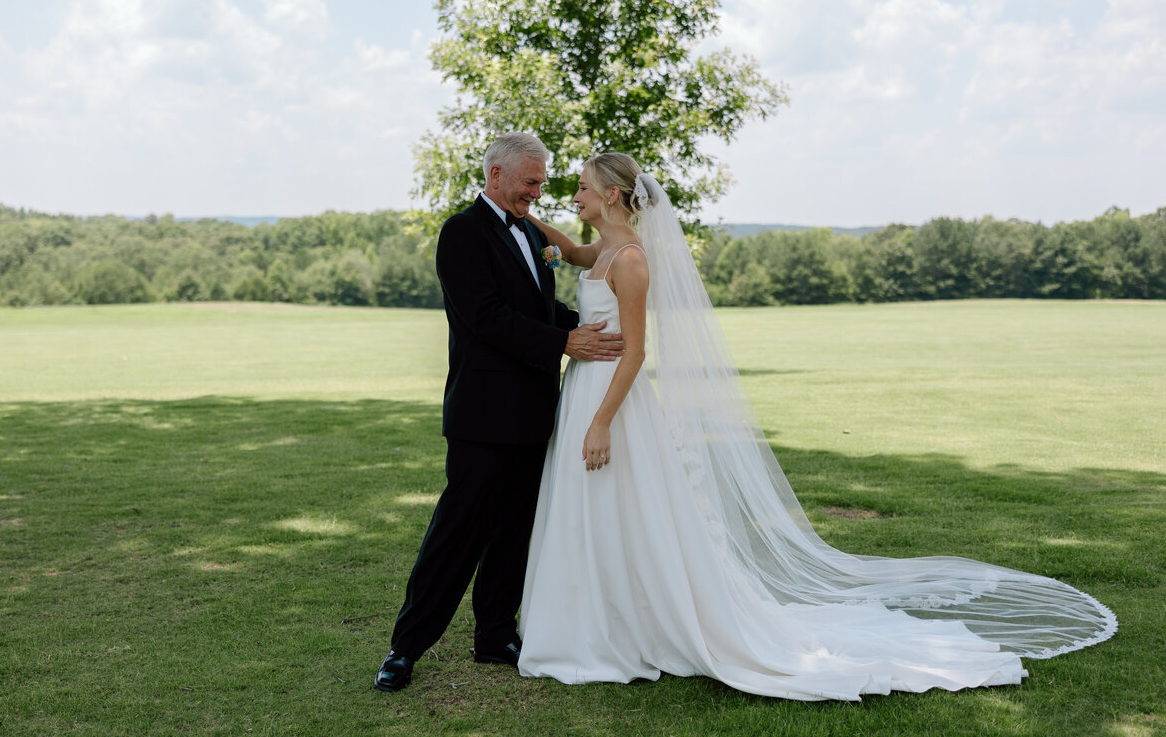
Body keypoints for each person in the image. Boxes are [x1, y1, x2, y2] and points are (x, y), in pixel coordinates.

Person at [516, 153, 1117, 700]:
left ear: (614, 197)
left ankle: (633, 624)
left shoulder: (632, 261)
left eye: (583, 188)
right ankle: (600, 615)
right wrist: (516, 213)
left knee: (628, 509)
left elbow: (637, 353)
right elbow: (570, 251)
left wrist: (600, 422)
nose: (574, 196)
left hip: (612, 403)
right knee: (598, 511)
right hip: (586, 390)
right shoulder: (603, 252)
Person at [374, 133, 623, 693]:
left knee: (516, 531)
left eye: (541, 181)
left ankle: (495, 636)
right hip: (482, 416)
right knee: (457, 533)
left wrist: (585, 329)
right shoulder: (461, 233)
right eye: (529, 181)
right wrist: (564, 343)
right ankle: (404, 647)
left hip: (536, 412)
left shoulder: (531, 232)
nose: (538, 192)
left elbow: (535, 307)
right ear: (495, 175)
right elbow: (484, 316)